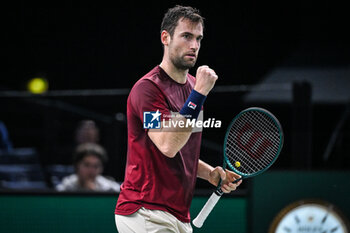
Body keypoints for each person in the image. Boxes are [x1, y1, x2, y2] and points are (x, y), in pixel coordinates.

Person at [115, 5, 242, 233]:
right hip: (145, 212)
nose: (194, 45)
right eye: (186, 36)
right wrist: (199, 95)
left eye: (198, 38)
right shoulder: (148, 90)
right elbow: (167, 145)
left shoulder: (193, 87)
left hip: (178, 215)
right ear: (166, 37)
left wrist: (209, 173)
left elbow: (182, 150)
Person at [56, 143, 120, 192]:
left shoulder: (110, 188)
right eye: (87, 165)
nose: (91, 170)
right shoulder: (66, 187)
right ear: (77, 165)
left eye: (96, 166)